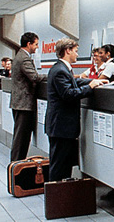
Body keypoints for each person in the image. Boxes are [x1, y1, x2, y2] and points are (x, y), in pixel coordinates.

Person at [45, 38, 107, 181]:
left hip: (60, 127)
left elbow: (74, 81)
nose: (77, 55)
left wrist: (93, 81)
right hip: (61, 127)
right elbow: (68, 94)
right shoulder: (61, 70)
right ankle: (57, 199)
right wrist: (90, 87)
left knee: (63, 164)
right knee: (59, 165)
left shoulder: (60, 68)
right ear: (67, 50)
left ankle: (61, 198)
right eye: (76, 51)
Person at [10, 32, 47, 161]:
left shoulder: (19, 56)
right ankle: (16, 167)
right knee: (21, 140)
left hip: (19, 103)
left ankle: (16, 166)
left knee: (21, 138)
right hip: (24, 104)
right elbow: (35, 77)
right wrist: (52, 75)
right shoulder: (24, 58)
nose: (37, 47)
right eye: (36, 44)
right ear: (29, 44)